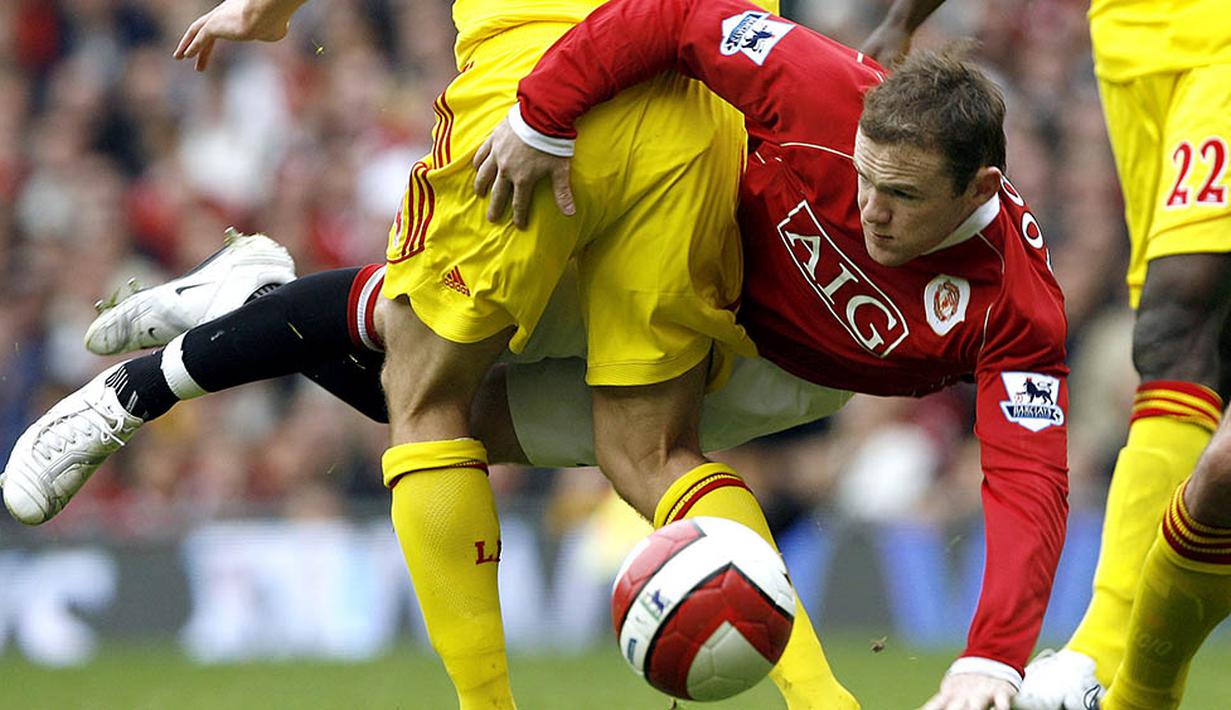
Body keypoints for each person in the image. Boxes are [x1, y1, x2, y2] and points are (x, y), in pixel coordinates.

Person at [3, 1, 1071, 708]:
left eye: (902, 198)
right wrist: (547, 113)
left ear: (976, 191)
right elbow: (686, 15)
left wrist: (990, 654)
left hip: (738, 288)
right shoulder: (828, 93)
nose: (872, 213)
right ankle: (151, 380)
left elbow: (1027, 475)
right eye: (867, 185)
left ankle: (257, 299)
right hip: (571, 86)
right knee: (430, 386)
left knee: (459, 402)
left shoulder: (1014, 303)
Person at [864, 1, 1231, 707]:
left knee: (1176, 309)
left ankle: (1103, 653)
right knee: (1182, 346)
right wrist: (905, 18)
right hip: (1132, 52)